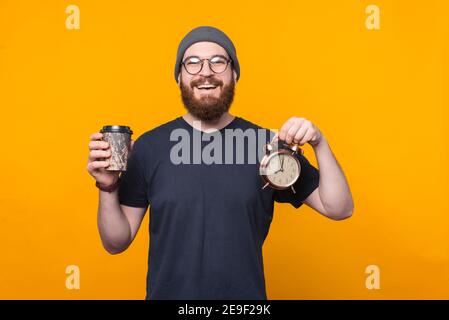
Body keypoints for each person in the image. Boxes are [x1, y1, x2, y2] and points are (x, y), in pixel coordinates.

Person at [86, 26, 354, 300]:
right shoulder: (149, 147)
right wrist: (107, 187)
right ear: (179, 76)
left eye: (218, 62)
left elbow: (339, 207)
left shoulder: (268, 146)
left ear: (233, 74)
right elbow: (116, 242)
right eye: (192, 63)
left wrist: (319, 141)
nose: (205, 71)